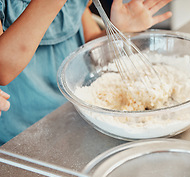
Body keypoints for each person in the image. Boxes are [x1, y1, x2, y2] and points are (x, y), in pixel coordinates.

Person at [0, 0, 173, 145]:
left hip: (77, 121)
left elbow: (91, 57)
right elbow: (3, 69)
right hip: (21, 136)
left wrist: (120, 31)